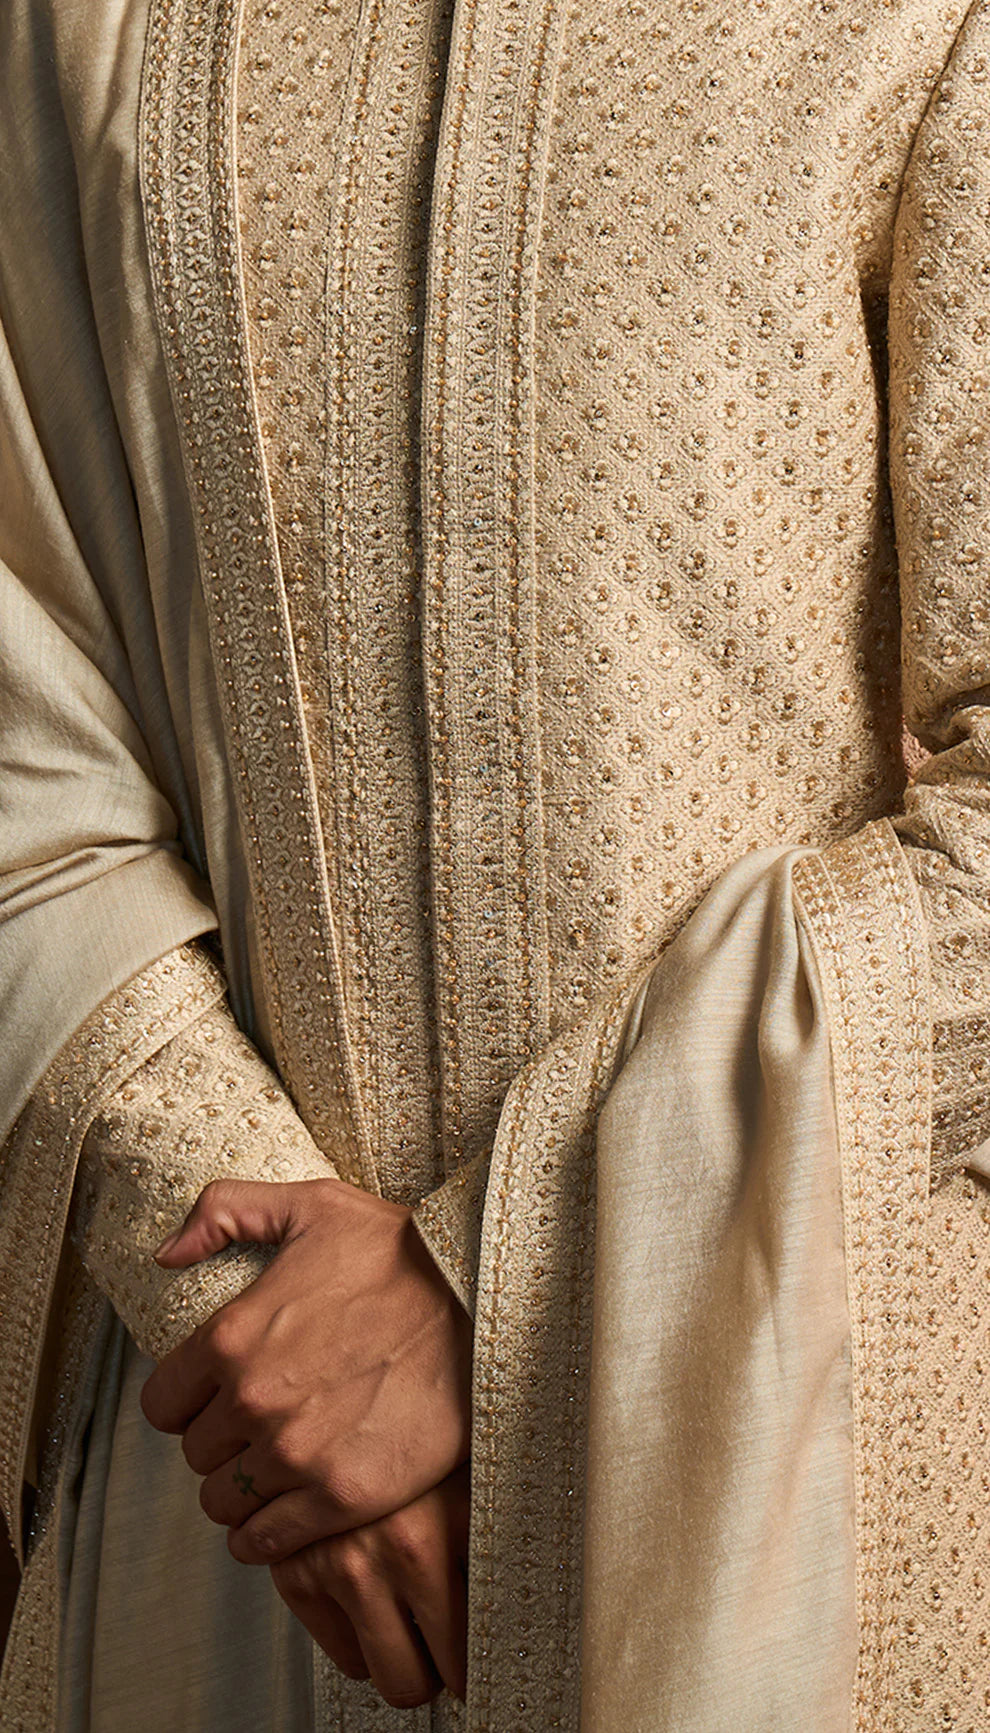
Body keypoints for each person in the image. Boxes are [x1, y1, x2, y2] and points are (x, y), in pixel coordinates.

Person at [2, 0, 990, 1725]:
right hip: (231, 1483)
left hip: (783, 1472)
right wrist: (246, 1303)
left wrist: (476, 1293)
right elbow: (27, 717)